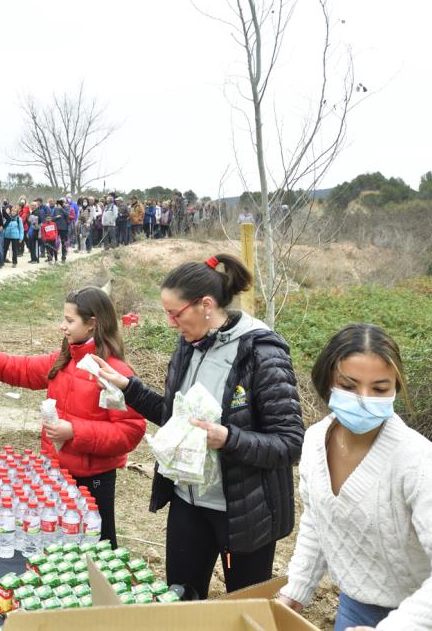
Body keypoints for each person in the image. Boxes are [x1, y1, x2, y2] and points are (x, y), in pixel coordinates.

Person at [93, 253, 304, 599]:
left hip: (242, 512)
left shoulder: (262, 352)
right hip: (187, 501)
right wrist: (128, 387)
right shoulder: (189, 346)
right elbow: (175, 418)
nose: (171, 323)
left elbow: (290, 443)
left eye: (175, 314)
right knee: (183, 600)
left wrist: (228, 438)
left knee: (244, 607)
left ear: (205, 305)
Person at [277, 324, 432, 631]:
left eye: (379, 389)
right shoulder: (315, 441)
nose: (364, 399)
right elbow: (318, 520)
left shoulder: (418, 461)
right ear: (329, 380)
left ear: (395, 387)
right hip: (355, 608)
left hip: (424, 614)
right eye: (350, 386)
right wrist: (297, 588)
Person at [0, 287, 145, 546]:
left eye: (69, 320)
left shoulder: (114, 373)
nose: (62, 326)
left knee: (96, 545)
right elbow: (18, 368)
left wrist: (74, 432)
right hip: (56, 473)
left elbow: (129, 432)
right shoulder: (64, 361)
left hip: (93, 482)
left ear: (92, 324)